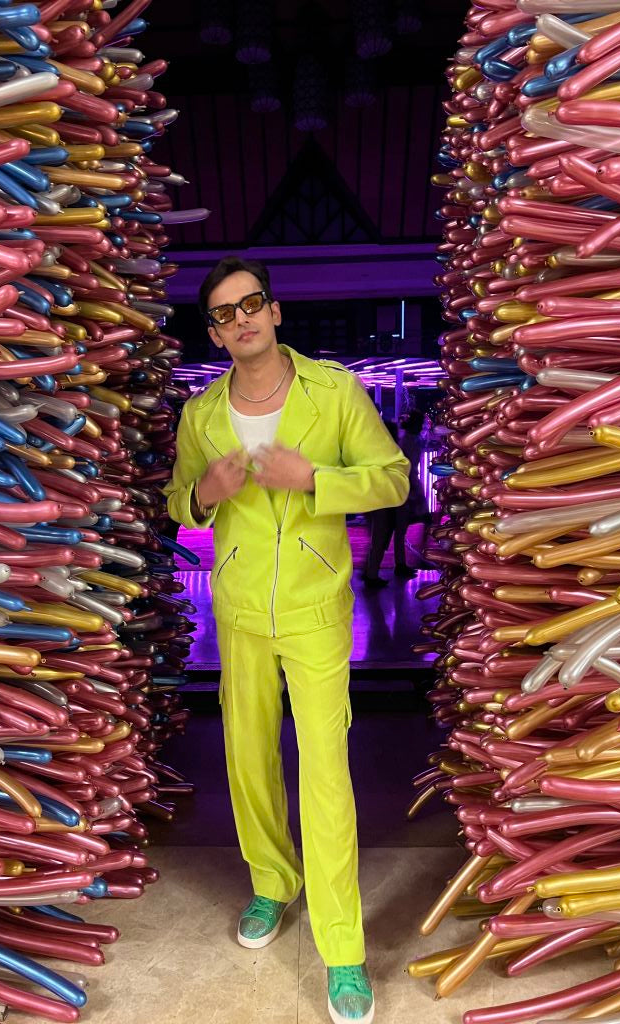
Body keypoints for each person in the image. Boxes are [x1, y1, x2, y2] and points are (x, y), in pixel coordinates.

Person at [164, 256, 409, 1024]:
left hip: (316, 609)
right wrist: (204, 494)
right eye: (224, 313)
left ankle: (343, 950)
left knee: (326, 775)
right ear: (215, 332)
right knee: (248, 758)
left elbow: (393, 478)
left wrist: (316, 480)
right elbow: (177, 500)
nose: (241, 319)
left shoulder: (333, 392)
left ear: (274, 312)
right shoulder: (201, 415)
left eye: (251, 304)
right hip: (238, 610)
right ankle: (272, 882)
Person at [363, 410, 430, 587]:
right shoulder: (405, 445)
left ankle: (376, 571)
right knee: (389, 533)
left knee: (385, 534)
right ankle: (377, 572)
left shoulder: (392, 447)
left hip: (386, 495)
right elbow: (408, 472)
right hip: (394, 494)